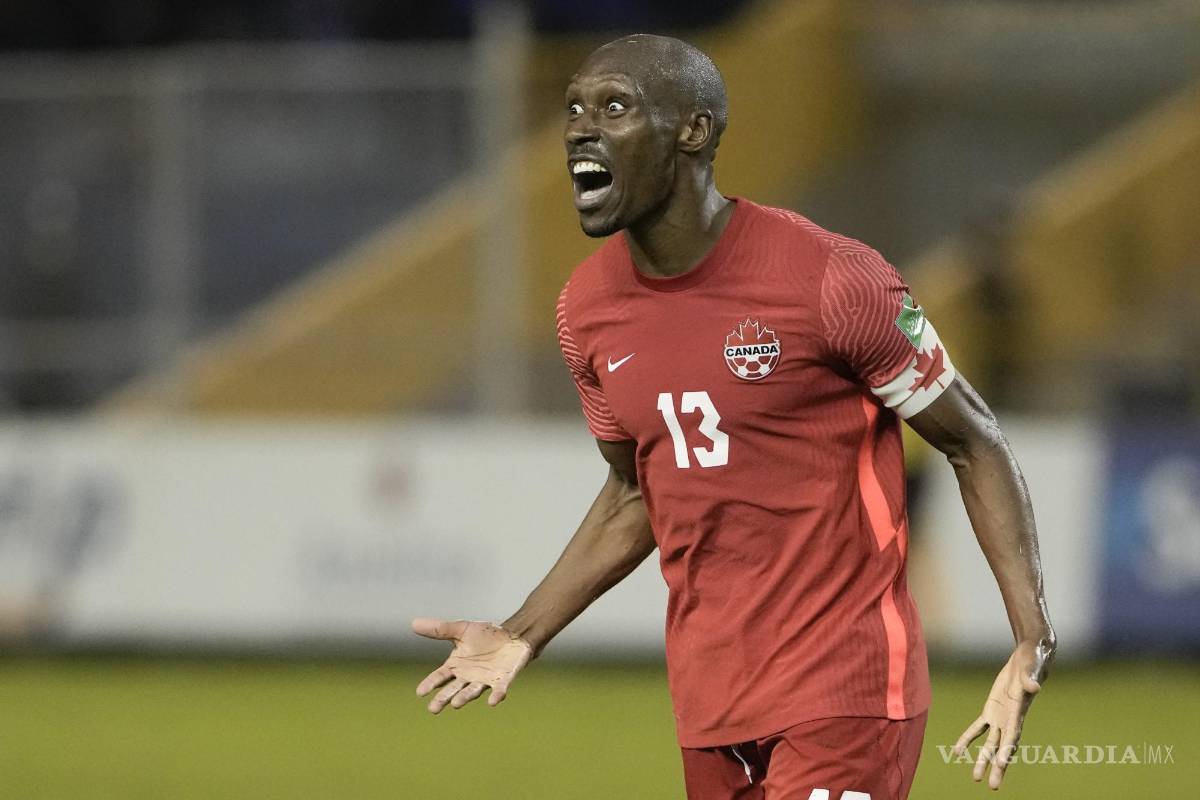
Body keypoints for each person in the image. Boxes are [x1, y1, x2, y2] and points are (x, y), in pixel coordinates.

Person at [413, 34, 1055, 799]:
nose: (581, 128)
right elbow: (636, 489)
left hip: (844, 693)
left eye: (614, 107)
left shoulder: (834, 280)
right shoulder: (585, 310)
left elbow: (974, 441)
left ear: (694, 130)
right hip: (711, 704)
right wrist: (523, 630)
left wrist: (1030, 636)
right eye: (574, 110)